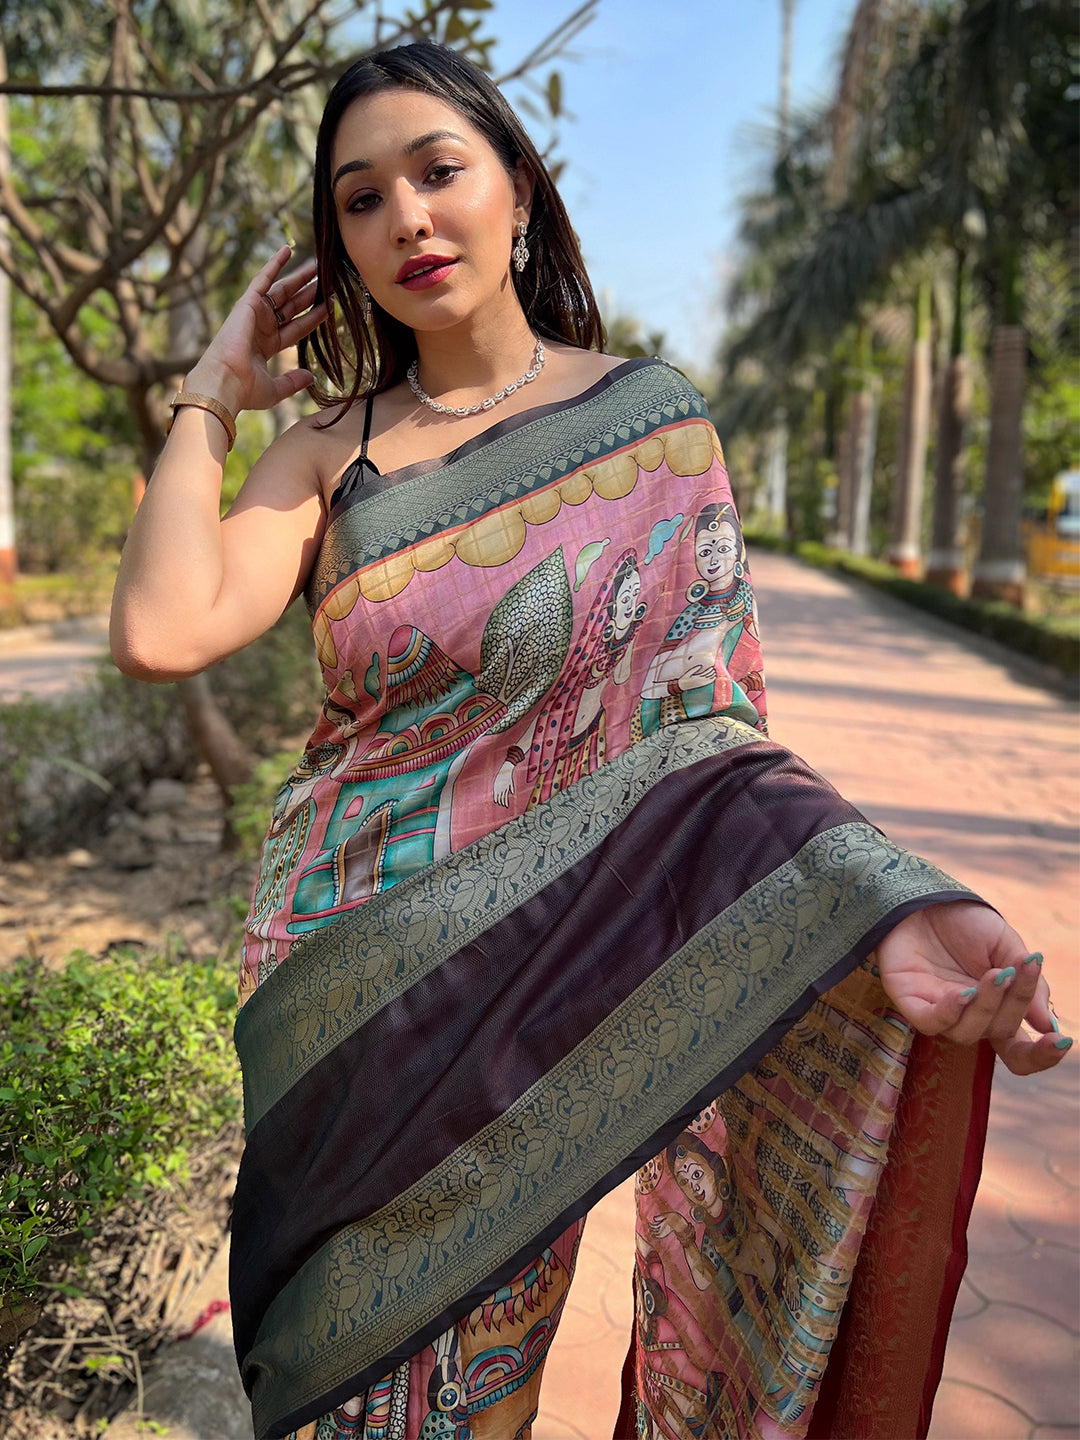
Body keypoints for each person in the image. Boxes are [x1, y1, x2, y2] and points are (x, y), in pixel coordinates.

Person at [109, 41, 1070, 1440]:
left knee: (482, 1377)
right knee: (320, 1380)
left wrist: (891, 908)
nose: (407, 221)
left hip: (534, 1016)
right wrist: (212, 390)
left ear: (518, 190)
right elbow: (161, 629)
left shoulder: (652, 425)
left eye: (439, 172)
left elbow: (712, 753)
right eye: (360, 200)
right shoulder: (328, 455)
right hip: (340, 998)